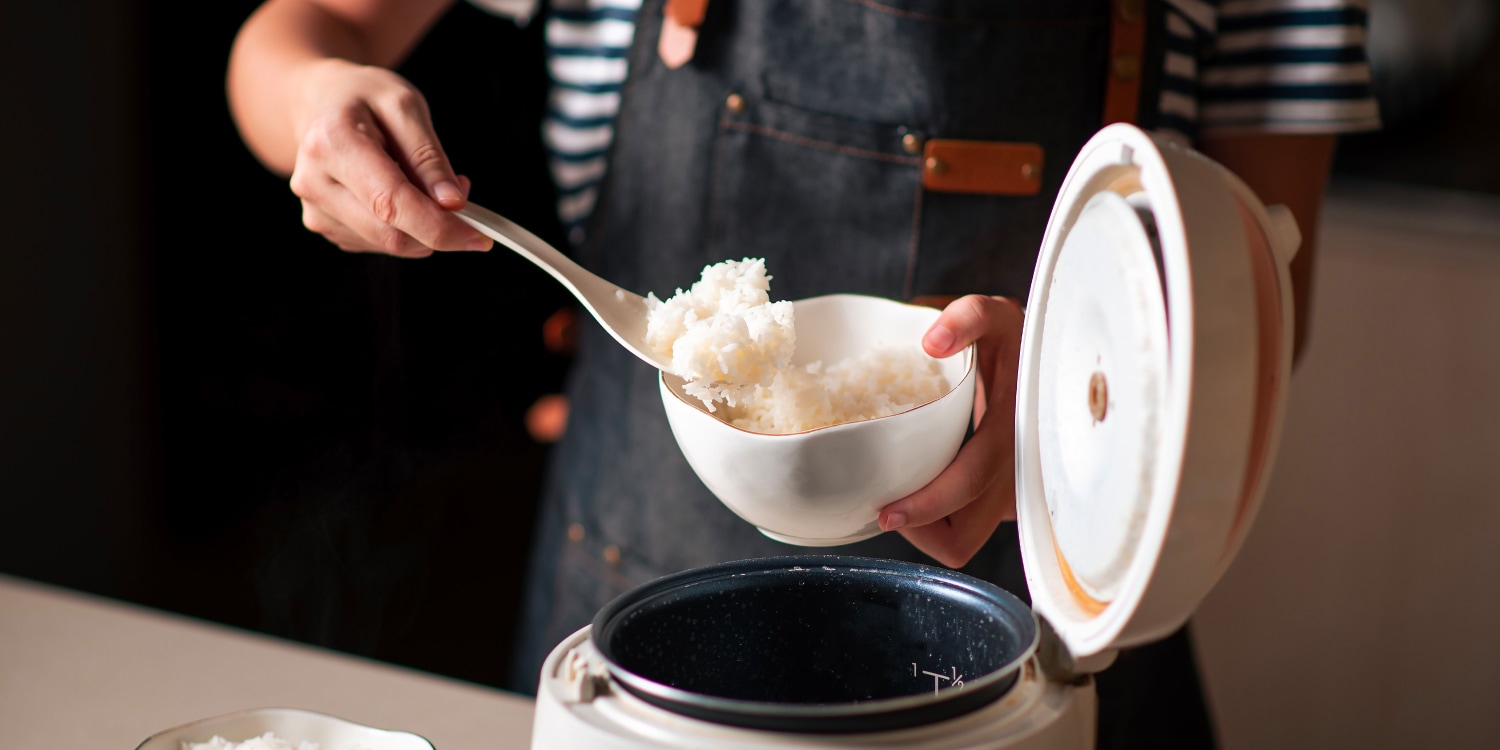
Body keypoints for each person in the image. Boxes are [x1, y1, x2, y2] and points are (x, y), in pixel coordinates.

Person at [227, 1, 1378, 746]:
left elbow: (1264, 302)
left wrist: (1087, 367)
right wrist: (315, 103)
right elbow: (296, 33)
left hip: (1043, 647)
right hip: (638, 649)